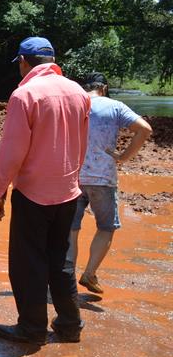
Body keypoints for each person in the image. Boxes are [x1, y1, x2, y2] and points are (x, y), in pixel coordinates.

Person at [0, 37, 90, 345]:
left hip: (33, 194)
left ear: (23, 61)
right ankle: (70, 324)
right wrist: (73, 178)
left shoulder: (24, 95)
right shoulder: (79, 92)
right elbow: (82, 144)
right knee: (60, 259)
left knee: (28, 262)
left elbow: (12, 151)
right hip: (69, 191)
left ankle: (32, 327)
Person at [65, 73, 152, 294]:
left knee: (71, 230)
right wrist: (123, 157)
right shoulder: (115, 106)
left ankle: (66, 281)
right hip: (103, 178)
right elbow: (145, 129)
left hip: (72, 177)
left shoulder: (73, 104)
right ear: (103, 88)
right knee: (106, 227)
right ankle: (89, 274)